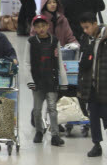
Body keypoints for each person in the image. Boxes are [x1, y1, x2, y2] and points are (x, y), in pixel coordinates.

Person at [77, 13, 107, 157]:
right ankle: (96, 144)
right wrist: (80, 86)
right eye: (83, 28)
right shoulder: (85, 39)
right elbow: (82, 63)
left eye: (87, 27)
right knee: (93, 115)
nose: (85, 30)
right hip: (89, 83)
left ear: (94, 23)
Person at [25, 16, 65, 147]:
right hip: (37, 82)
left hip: (51, 80)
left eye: (43, 25)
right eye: (37, 26)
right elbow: (27, 63)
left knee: (52, 108)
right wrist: (30, 80)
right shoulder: (31, 42)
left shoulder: (55, 41)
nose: (41, 29)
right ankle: (39, 131)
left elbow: (60, 61)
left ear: (48, 26)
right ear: (34, 28)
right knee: (37, 110)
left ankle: (55, 135)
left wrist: (63, 81)